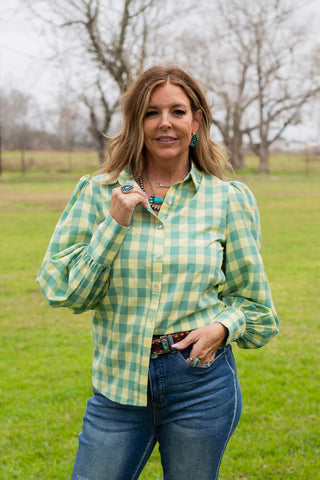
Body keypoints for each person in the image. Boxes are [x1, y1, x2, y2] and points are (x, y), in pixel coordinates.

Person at [37, 65, 279, 480]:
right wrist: (113, 224)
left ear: (196, 121)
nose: (165, 123)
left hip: (200, 384)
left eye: (178, 111)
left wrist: (222, 327)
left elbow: (257, 309)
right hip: (117, 388)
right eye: (151, 112)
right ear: (136, 123)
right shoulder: (98, 193)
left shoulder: (228, 200)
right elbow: (64, 292)